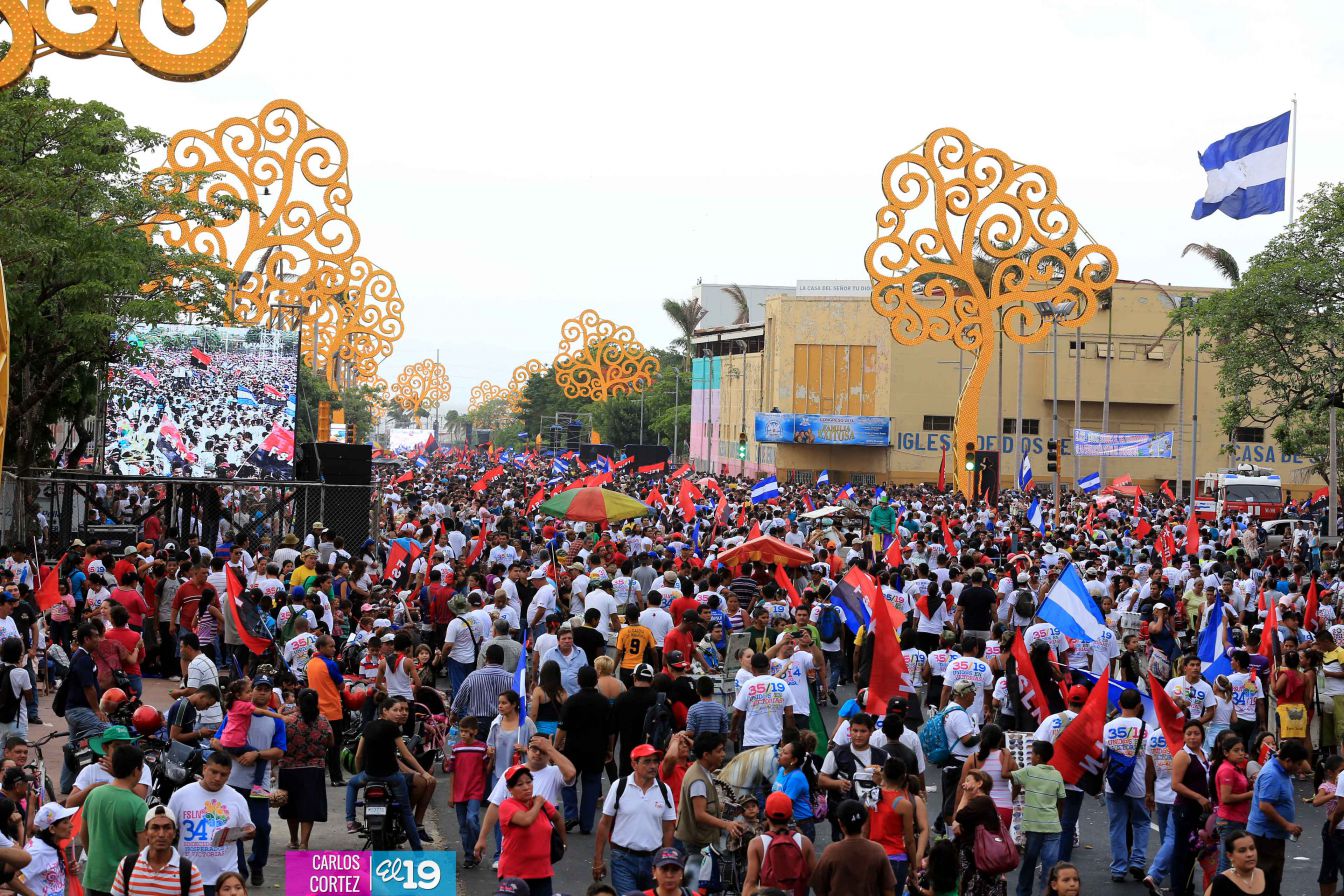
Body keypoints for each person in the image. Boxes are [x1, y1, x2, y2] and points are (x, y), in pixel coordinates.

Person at [208, 677, 287, 885]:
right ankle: (239, 872)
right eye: (258, 689)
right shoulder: (236, 712)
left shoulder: (275, 720)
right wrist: (235, 757)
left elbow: (279, 750)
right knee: (235, 829)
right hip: (233, 782)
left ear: (271, 694)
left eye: (266, 690)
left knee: (261, 826)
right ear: (250, 692)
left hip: (259, 784)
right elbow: (217, 741)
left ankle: (257, 864)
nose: (261, 693)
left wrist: (257, 755)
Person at [592, 743, 676, 894]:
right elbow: (605, 823)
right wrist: (598, 859)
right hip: (623, 859)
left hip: (653, 860)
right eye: (647, 761)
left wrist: (665, 858)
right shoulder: (619, 786)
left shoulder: (664, 790)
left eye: (655, 761)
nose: (653, 766)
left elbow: (669, 827)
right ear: (634, 764)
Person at [168, 751, 254, 896]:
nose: (218, 778)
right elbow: (168, 829)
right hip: (190, 877)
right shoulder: (180, 796)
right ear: (204, 769)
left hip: (226, 880)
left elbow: (249, 829)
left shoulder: (237, 799)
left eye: (223, 774)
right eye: (214, 772)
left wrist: (247, 832)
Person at [676, 732, 745, 889]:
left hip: (703, 839)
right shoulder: (698, 780)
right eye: (719, 750)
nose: (723, 754)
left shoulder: (704, 770)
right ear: (706, 755)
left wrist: (734, 809)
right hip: (698, 842)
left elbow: (710, 803)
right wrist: (727, 825)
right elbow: (699, 814)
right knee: (700, 885)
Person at [81, 743, 149, 896]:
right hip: (123, 882)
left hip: (94, 877)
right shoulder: (139, 805)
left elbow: (83, 834)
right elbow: (143, 850)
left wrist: (94, 857)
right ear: (136, 770)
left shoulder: (94, 794)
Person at [1246, 739, 1309, 896]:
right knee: (1265, 882)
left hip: (1272, 835)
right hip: (1264, 836)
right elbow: (1265, 806)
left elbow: (1307, 768)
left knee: (1272, 880)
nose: (1300, 767)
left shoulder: (1281, 767)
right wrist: (1287, 825)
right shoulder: (1272, 775)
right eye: (1298, 764)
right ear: (1288, 761)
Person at [556, 666, 612, 835]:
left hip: (573, 749)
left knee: (568, 781)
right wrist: (609, 749)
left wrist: (555, 747)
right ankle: (586, 824)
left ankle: (571, 814)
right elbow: (610, 730)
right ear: (596, 681)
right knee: (592, 785)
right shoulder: (604, 702)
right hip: (597, 749)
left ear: (578, 681)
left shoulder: (572, 701)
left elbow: (563, 728)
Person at [109, 804, 206, 896]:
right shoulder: (127, 864)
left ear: (174, 833)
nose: (161, 834)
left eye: (167, 828)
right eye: (155, 828)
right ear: (146, 833)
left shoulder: (190, 871)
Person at [1104, 687, 1150, 883]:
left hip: (1113, 784)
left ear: (1120, 704)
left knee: (1117, 826)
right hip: (1138, 784)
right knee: (1141, 823)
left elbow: (1103, 759)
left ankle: (1118, 868)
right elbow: (1150, 760)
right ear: (1139, 706)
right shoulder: (1146, 728)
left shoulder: (1108, 727)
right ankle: (1137, 862)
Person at [277, 688, 331, 851]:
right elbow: (331, 742)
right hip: (314, 770)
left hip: (289, 769)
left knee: (291, 806)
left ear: (298, 703)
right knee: (308, 806)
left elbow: (279, 745)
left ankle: (293, 839)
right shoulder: (323, 721)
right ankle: (304, 843)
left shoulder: (288, 721)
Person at [498, 764, 563, 896]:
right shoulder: (507, 805)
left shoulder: (541, 804)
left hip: (542, 872)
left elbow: (558, 818)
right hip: (514, 874)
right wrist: (538, 803)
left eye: (529, 782)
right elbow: (526, 820)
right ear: (510, 789)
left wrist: (563, 842)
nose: (526, 787)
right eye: (520, 784)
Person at [1011, 740, 1065, 896]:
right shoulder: (1057, 774)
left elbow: (1008, 775)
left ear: (1038, 757)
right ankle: (1046, 892)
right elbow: (1062, 799)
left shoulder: (1029, 772)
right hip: (1053, 825)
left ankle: (1023, 892)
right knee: (1049, 864)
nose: (1031, 757)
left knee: (1029, 860)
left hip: (1034, 826)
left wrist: (1006, 756)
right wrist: (1058, 818)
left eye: (1032, 754)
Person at [60, 622, 109, 795]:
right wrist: (97, 710)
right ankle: (113, 776)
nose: (98, 639)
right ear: (86, 639)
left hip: (74, 710)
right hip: (79, 710)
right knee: (109, 732)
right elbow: (88, 687)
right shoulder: (83, 658)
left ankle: (66, 786)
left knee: (73, 746)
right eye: (95, 636)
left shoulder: (83, 656)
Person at [810, 798, 892, 896]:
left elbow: (818, 885)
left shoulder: (832, 851)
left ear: (840, 823)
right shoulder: (877, 850)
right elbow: (888, 888)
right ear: (864, 821)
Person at [743, 791, 818, 896]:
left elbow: (749, 886)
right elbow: (818, 882)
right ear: (791, 813)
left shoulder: (757, 844)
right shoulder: (804, 842)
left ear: (765, 813)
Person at [1170, 720, 1212, 896]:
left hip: (1199, 810)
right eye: (1189, 734)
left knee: (1192, 850)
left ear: (1202, 735)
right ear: (1184, 736)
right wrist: (1198, 797)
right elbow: (1176, 784)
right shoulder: (1183, 755)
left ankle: (1187, 887)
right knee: (1182, 850)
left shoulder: (1204, 754)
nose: (1193, 737)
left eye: (1196, 733)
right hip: (1184, 809)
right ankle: (1178, 889)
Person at [951, 769, 1007, 896]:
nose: (964, 784)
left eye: (968, 781)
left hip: (978, 858)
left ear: (979, 784)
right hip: (978, 857)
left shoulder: (982, 801)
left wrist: (965, 795)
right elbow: (957, 824)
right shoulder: (980, 804)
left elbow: (959, 817)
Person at [868, 757, 917, 894]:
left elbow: (865, 832)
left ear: (884, 774)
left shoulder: (871, 797)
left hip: (873, 856)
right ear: (903, 777)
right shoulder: (904, 804)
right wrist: (914, 866)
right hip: (896, 858)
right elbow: (909, 840)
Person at [445, 716, 489, 870]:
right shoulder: (457, 749)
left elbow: (486, 770)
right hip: (459, 792)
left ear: (475, 732)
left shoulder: (482, 748)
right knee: (463, 826)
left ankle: (477, 847)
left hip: (475, 790)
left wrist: (493, 757)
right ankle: (469, 855)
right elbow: (452, 772)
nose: (463, 734)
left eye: (466, 731)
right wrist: (451, 795)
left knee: (472, 820)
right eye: (462, 731)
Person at [22, 802, 77, 896]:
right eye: (65, 822)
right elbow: (14, 878)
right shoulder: (37, 852)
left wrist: (65, 868)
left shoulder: (51, 844)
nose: (71, 825)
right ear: (52, 829)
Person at [1310, 753, 1344, 896]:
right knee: (1329, 866)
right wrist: (1335, 793)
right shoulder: (1326, 786)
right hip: (1332, 826)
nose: (1342, 773)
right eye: (1340, 770)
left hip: (1338, 826)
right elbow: (1316, 801)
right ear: (1330, 772)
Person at [771, 740, 816, 841]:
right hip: (785, 822)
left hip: (800, 825)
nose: (780, 754)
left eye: (785, 753)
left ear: (794, 760)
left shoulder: (796, 778)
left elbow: (785, 804)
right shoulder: (782, 770)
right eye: (781, 751)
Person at [1205, 829, 1264, 896]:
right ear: (1230, 856)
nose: (1250, 854)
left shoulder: (1265, 876)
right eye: (1242, 850)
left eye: (1252, 848)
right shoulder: (1222, 882)